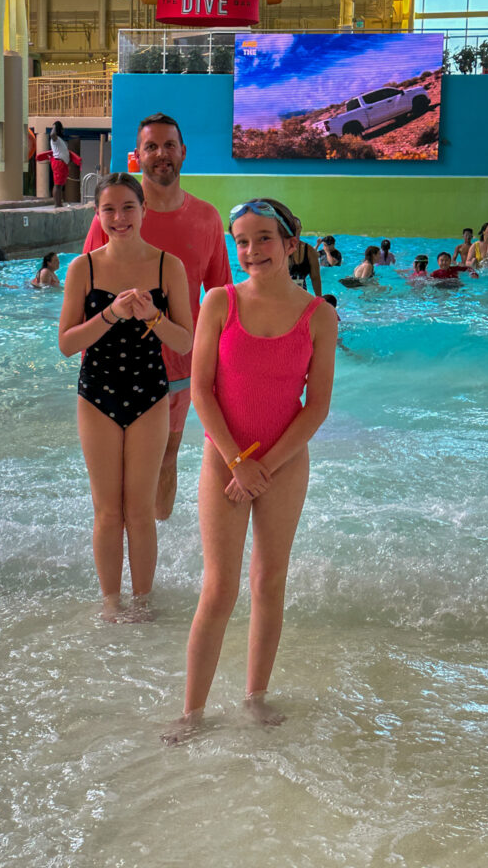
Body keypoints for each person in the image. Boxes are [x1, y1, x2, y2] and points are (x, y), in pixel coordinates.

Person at [161, 198, 337, 744]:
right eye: (241, 240)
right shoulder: (219, 303)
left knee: (269, 581)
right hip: (224, 460)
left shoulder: (319, 316)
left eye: (263, 239)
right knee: (220, 586)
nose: (250, 251)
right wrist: (238, 461)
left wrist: (265, 466)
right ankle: (192, 712)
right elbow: (202, 391)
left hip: (283, 463)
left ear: (290, 244)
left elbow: (317, 407)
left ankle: (255, 696)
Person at [83, 113, 231, 520]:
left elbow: (221, 299)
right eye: (151, 146)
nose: (161, 154)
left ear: (183, 152)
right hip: (114, 366)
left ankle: (154, 545)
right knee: (116, 470)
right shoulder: (111, 218)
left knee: (166, 458)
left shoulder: (207, 218)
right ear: (136, 156)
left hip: (180, 367)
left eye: (169, 145)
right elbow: (85, 292)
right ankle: (124, 550)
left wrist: (226, 365)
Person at [60, 173, 193, 622]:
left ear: (144, 210)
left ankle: (143, 603)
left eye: (128, 208)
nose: (119, 218)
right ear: (98, 216)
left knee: (139, 510)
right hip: (96, 393)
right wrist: (112, 313)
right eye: (109, 210)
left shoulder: (166, 266)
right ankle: (111, 603)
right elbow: (67, 342)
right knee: (107, 510)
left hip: (150, 394)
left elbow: (185, 343)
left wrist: (153, 316)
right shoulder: (85, 268)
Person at [36, 120, 82, 208]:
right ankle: (57, 204)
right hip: (58, 163)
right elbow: (52, 134)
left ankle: (59, 203)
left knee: (60, 185)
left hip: (62, 164)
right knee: (57, 185)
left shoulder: (59, 140)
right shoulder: (55, 139)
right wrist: (54, 126)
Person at [288, 219, 322, 295]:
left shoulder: (309, 251)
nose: (295, 232)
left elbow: (315, 278)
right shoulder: (280, 249)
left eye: (297, 229)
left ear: (300, 230)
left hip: (301, 295)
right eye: (292, 228)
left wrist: (319, 299)